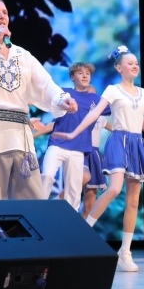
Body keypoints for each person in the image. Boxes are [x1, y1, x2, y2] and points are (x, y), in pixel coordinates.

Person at [52, 45, 144, 272]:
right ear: (119, 68)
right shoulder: (112, 90)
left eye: (136, 63)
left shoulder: (143, 93)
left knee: (134, 199)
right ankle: (84, 232)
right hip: (119, 141)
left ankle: (125, 252)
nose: (135, 66)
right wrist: (73, 133)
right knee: (114, 188)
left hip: (137, 144)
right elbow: (93, 114)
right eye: (130, 63)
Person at [0, 0, 78, 200]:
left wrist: (61, 99)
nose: (2, 16)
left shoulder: (22, 55)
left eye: (4, 12)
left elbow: (45, 84)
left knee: (32, 202)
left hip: (20, 137)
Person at [40, 62, 109, 211]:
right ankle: (38, 209)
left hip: (79, 148)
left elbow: (117, 109)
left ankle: (69, 221)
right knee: (47, 175)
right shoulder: (64, 93)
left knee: (74, 189)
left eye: (88, 73)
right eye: (80, 73)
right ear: (72, 77)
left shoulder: (96, 99)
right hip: (57, 144)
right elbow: (46, 98)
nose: (85, 76)